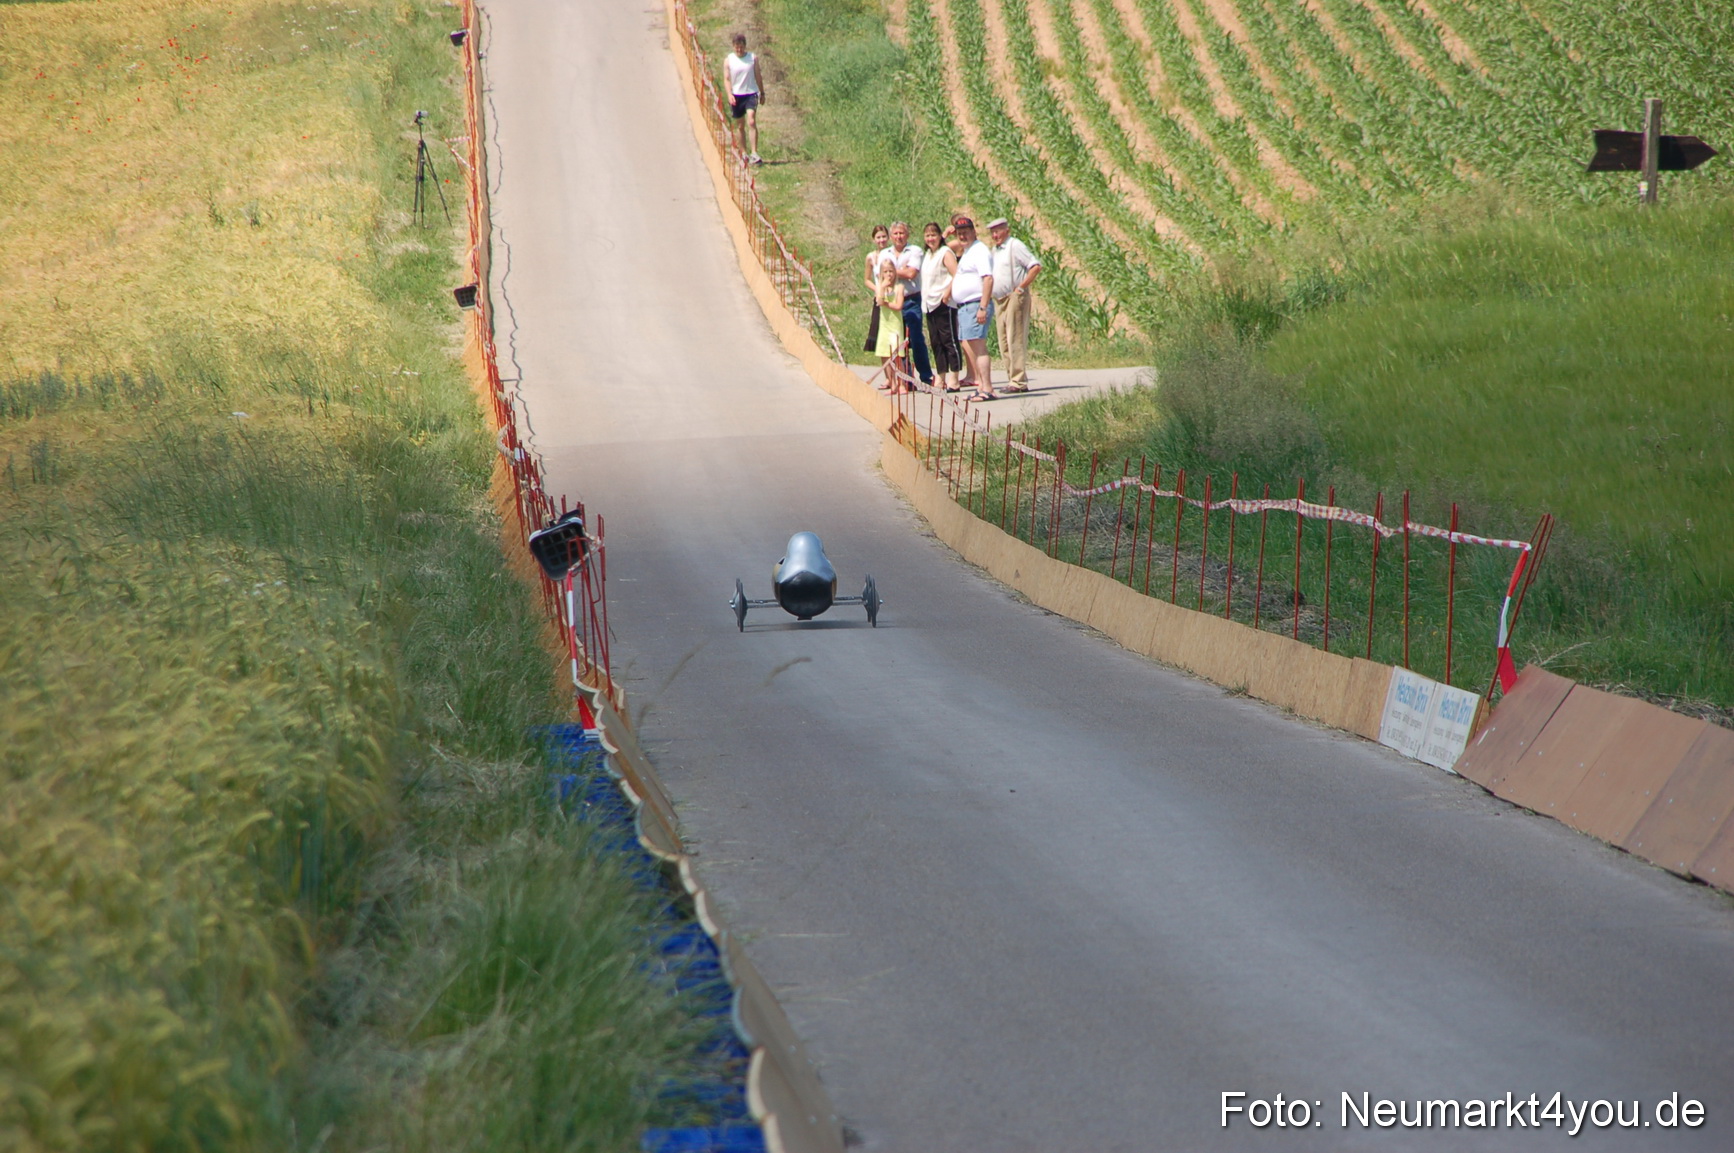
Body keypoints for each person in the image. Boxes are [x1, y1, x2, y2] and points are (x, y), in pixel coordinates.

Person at [987, 217, 1041, 391]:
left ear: (1006, 230)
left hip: (1014, 297)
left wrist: (1021, 288)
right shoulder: (995, 251)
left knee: (1014, 337)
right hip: (999, 299)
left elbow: (1035, 266)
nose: (995, 235)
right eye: (993, 232)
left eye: (998, 231)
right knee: (1004, 341)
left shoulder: (1015, 245)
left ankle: (1018, 380)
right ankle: (1013, 378)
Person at [948, 215, 996, 401]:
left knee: (979, 347)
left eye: (966, 232)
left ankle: (988, 389)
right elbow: (948, 245)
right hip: (966, 307)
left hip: (976, 304)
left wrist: (983, 307)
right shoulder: (968, 250)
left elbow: (988, 279)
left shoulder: (979, 251)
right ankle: (982, 386)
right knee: (972, 348)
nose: (962, 236)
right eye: (959, 233)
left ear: (974, 232)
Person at [888, 222, 933, 387]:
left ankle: (926, 376)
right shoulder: (886, 253)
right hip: (892, 301)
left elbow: (912, 273)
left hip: (911, 300)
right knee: (898, 341)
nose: (899, 237)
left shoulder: (915, 251)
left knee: (915, 338)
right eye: (896, 234)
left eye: (902, 233)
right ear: (891, 236)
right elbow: (882, 274)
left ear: (907, 235)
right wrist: (901, 271)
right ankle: (907, 378)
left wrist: (891, 271)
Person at [920, 222, 963, 392]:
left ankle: (954, 377)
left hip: (944, 302)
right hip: (929, 304)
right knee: (936, 342)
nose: (931, 238)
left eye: (934, 235)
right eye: (928, 235)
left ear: (939, 237)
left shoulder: (945, 252)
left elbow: (957, 274)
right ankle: (941, 375)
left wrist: (947, 292)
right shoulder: (929, 254)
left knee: (949, 340)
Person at [724, 34, 765, 165]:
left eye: (741, 47)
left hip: (750, 93)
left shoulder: (752, 59)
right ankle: (744, 152)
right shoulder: (729, 60)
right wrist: (729, 94)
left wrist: (762, 92)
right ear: (733, 47)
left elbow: (758, 76)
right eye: (737, 47)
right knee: (740, 125)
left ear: (745, 46)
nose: (739, 50)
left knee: (751, 121)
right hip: (737, 95)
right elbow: (727, 79)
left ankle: (754, 153)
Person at [872, 261, 909, 393]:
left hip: (895, 324)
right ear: (881, 274)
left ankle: (902, 384)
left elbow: (898, 306)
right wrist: (882, 287)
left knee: (896, 354)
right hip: (884, 324)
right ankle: (892, 383)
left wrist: (885, 303)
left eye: (891, 271)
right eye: (885, 272)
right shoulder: (880, 286)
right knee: (885, 354)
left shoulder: (899, 287)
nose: (888, 274)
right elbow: (878, 300)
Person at [862, 224, 889, 361]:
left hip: (892, 297)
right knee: (880, 338)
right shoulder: (871, 257)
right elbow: (867, 279)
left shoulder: (892, 254)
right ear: (874, 239)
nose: (881, 240)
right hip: (879, 298)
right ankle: (887, 376)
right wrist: (877, 289)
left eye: (884, 236)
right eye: (878, 237)